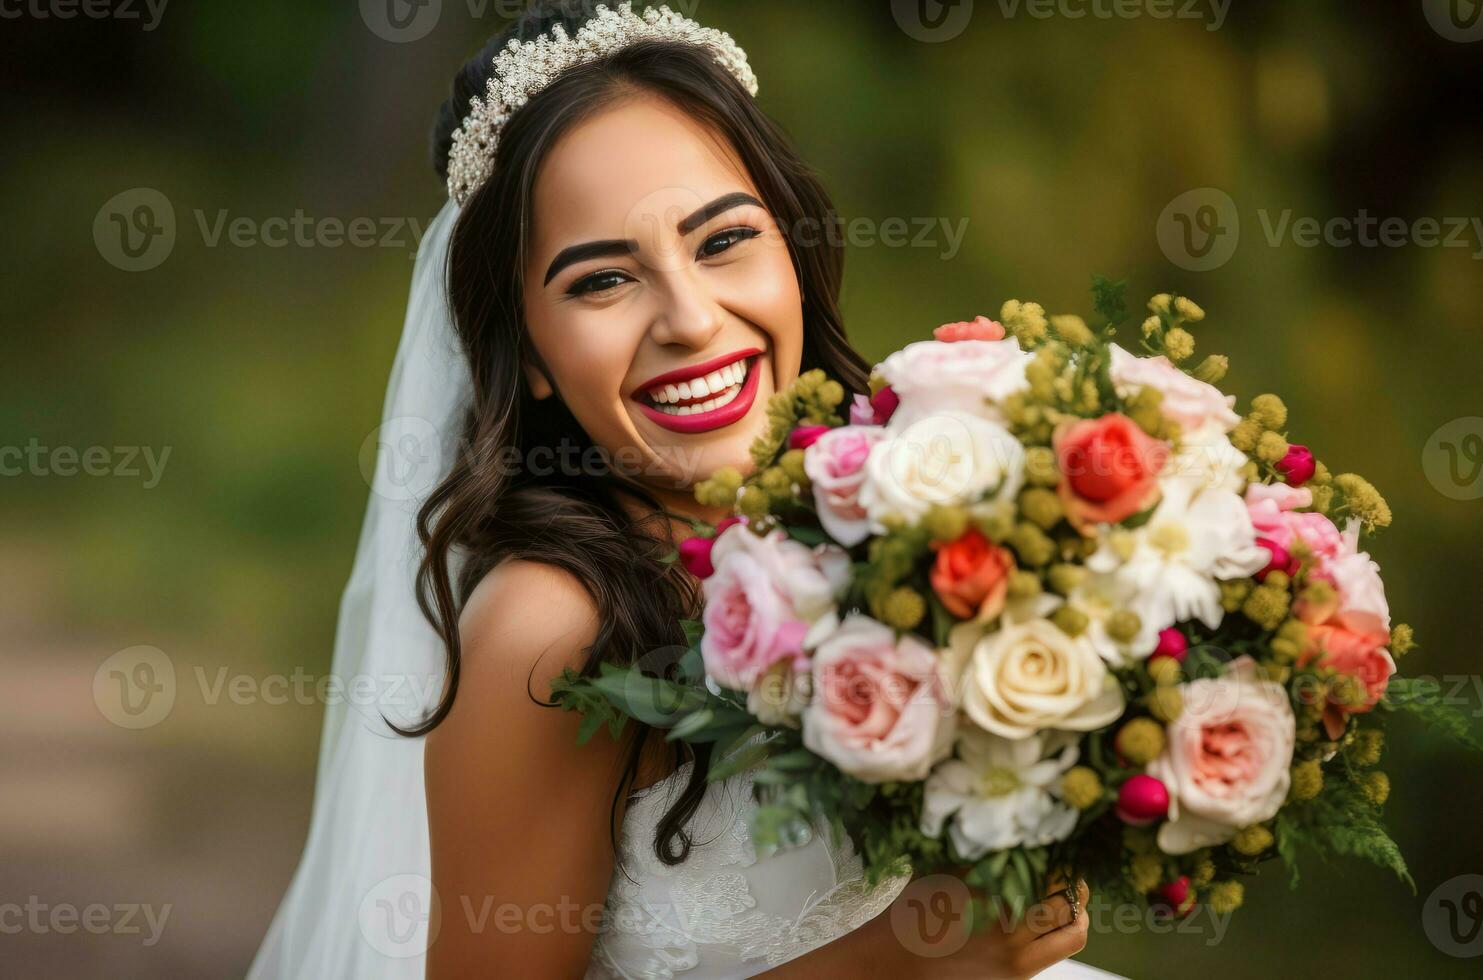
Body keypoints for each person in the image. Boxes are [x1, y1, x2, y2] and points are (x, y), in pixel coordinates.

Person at [248, 3, 1119, 977]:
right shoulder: (551, 634)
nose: (690, 319)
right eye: (601, 282)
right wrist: (902, 959)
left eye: (721, 242)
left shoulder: (899, 514)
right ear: (526, 349)